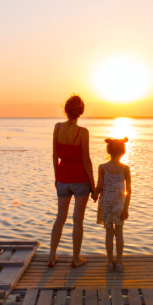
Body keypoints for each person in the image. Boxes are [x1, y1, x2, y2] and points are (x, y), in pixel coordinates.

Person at [49, 95, 96, 268]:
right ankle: (76, 259)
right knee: (78, 220)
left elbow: (55, 155)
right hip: (80, 179)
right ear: (80, 112)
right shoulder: (83, 132)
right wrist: (93, 185)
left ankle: (51, 257)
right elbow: (87, 161)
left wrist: (57, 177)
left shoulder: (57, 128)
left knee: (60, 217)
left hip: (62, 177)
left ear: (66, 110)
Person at [92, 137, 132, 272]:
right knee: (119, 232)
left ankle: (110, 263)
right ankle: (119, 263)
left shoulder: (102, 167)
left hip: (106, 202)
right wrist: (126, 208)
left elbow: (100, 186)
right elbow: (129, 191)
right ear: (123, 151)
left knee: (109, 233)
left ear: (108, 150)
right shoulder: (125, 169)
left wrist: (94, 194)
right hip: (120, 203)